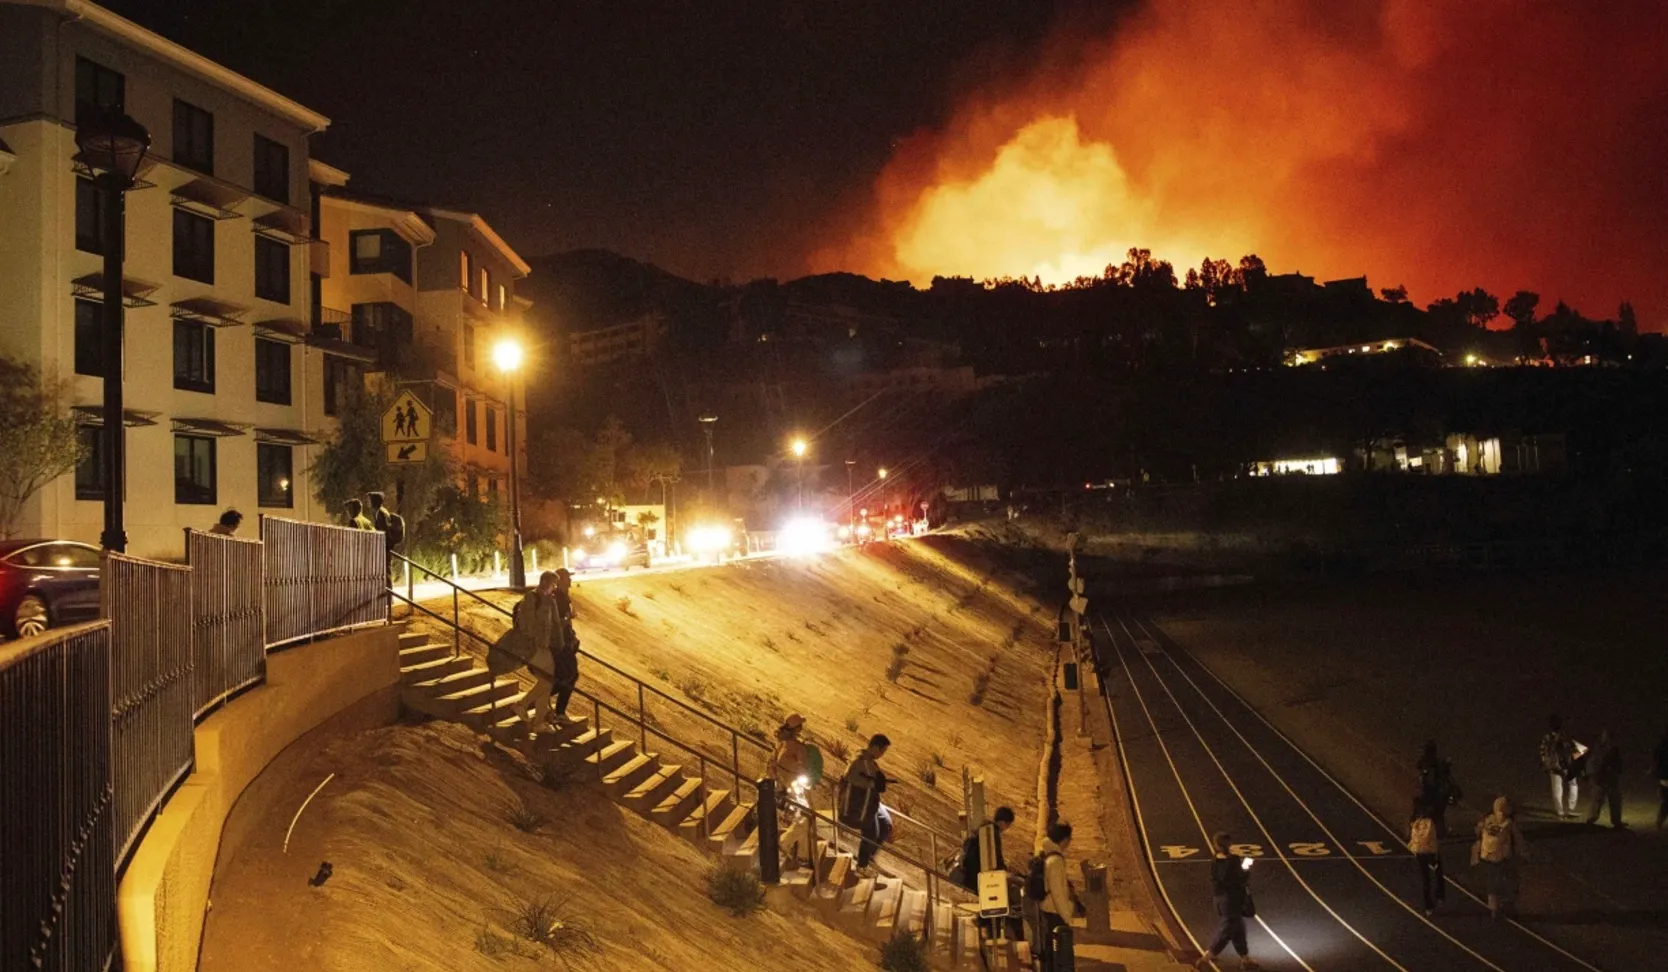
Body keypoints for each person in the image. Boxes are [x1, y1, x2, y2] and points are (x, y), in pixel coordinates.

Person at [486, 571, 563, 732]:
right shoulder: (531, 598)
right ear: (545, 582)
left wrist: (559, 641)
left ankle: (539, 722)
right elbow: (529, 626)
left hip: (543, 646)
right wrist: (546, 605)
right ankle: (522, 705)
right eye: (553, 584)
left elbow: (553, 624)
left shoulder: (549, 599)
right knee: (548, 680)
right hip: (530, 646)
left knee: (547, 683)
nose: (554, 588)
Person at [1195, 831, 1259, 970]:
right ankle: (1206, 958)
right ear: (1229, 844)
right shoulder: (1234, 860)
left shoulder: (1214, 860)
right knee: (1227, 930)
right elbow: (1240, 878)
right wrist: (1247, 867)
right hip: (1232, 900)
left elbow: (1222, 878)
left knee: (1238, 928)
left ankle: (1245, 959)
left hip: (1220, 899)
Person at [840, 733, 891, 877]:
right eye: (882, 751)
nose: (882, 754)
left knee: (885, 825)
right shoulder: (859, 761)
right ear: (874, 747)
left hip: (870, 803)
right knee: (870, 834)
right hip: (860, 805)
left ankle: (868, 858)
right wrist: (872, 783)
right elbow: (850, 777)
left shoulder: (870, 762)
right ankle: (861, 867)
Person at [1035, 821, 1083, 972]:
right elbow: (1057, 894)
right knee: (1059, 951)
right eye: (1069, 840)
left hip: (1048, 910)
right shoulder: (1055, 861)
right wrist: (1067, 916)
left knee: (1051, 949)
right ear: (1064, 840)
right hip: (1054, 912)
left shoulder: (1047, 854)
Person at [1474, 796, 1528, 918]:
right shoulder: (1509, 823)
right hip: (1504, 857)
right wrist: (1523, 853)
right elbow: (1518, 840)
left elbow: (1477, 832)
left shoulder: (1487, 819)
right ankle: (1509, 903)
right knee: (1511, 878)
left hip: (1488, 856)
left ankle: (1493, 908)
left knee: (1492, 882)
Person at [959, 806, 1015, 892]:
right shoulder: (992, 832)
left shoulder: (984, 827)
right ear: (1003, 822)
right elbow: (995, 855)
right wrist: (1004, 869)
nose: (1007, 828)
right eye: (1008, 825)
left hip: (971, 871)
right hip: (979, 873)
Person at [1409, 797, 1445, 915]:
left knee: (1425, 878)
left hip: (1419, 852)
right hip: (1431, 851)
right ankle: (1440, 897)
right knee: (1438, 873)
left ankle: (1428, 907)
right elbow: (1440, 833)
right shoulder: (1432, 819)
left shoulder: (1414, 819)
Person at [1539, 715, 1580, 819]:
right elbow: (1577, 750)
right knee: (1571, 786)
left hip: (1555, 766)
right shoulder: (1564, 736)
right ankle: (1568, 810)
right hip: (1564, 765)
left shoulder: (1548, 737)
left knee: (1558, 789)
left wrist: (1546, 763)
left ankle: (1561, 812)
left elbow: (1543, 752)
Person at [1417, 741, 1460, 837]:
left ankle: (1432, 832)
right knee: (1437, 814)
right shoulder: (1435, 763)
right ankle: (1438, 832)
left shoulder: (1427, 762)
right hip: (1435, 792)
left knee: (1431, 813)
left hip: (1430, 791)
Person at [1583, 728, 1624, 828]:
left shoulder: (1603, 748)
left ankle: (1595, 819)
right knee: (1601, 798)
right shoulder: (1604, 749)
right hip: (1602, 776)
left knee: (1607, 799)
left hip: (1604, 776)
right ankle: (1593, 819)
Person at [1653, 729, 1668, 830]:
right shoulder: (1662, 749)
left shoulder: (1660, 748)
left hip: (1663, 777)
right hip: (1665, 777)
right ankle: (1660, 820)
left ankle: (1660, 820)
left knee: (1665, 801)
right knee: (1665, 801)